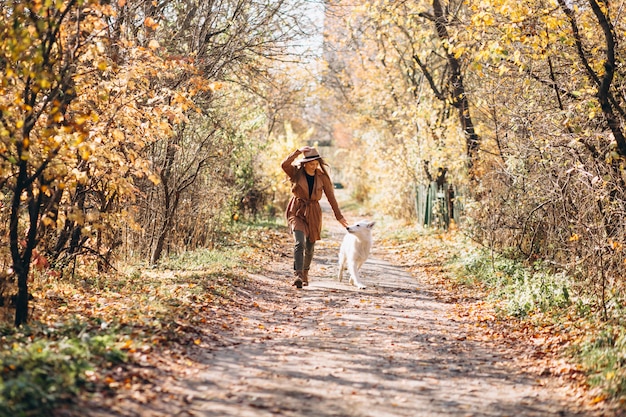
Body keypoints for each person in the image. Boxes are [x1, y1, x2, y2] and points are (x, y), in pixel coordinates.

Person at [281, 146, 349, 288]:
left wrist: (339, 216)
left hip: (314, 212)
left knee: (310, 247)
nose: (314, 166)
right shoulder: (296, 173)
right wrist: (297, 152)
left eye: (316, 163)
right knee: (300, 243)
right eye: (311, 163)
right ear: (305, 163)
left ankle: (305, 273)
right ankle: (298, 275)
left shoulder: (322, 177)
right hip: (297, 210)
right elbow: (284, 165)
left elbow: (331, 197)